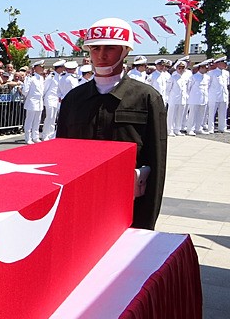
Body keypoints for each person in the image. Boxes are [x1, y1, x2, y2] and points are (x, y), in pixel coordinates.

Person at [57, 17, 167, 230]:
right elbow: (61, 158)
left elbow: (156, 163)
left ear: (125, 51)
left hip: (127, 208)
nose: (101, 55)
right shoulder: (73, 99)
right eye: (95, 48)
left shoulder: (146, 98)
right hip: (81, 205)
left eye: (111, 48)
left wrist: (145, 224)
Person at [22, 60, 45, 144]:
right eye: (41, 67)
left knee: (37, 120)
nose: (42, 68)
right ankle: (28, 138)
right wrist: (29, 97)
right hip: (32, 101)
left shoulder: (41, 78)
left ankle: (35, 136)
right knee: (29, 120)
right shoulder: (30, 77)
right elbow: (25, 90)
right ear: (35, 68)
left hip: (39, 101)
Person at [206, 56, 228, 133]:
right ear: (218, 64)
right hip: (214, 96)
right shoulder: (211, 73)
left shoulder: (226, 73)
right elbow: (208, 85)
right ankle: (210, 128)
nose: (225, 65)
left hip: (223, 95)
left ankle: (222, 127)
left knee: (223, 112)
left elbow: (226, 85)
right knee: (212, 113)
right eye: (224, 63)